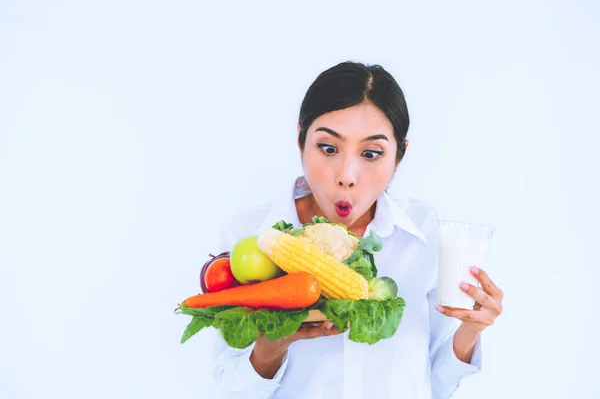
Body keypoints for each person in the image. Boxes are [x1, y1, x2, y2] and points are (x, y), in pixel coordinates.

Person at [210, 61, 504, 399]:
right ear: (301, 139)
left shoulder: (425, 234)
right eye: (329, 148)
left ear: (399, 155)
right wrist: (270, 349)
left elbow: (434, 386)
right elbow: (232, 390)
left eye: (371, 153)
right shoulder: (248, 235)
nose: (347, 174)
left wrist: (472, 328)